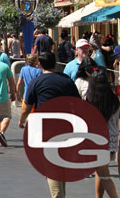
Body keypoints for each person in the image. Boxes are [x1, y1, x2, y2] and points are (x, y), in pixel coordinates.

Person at [19, 52, 81, 198]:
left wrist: (21, 121)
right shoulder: (66, 80)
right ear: (56, 63)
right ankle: (60, 194)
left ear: (39, 64)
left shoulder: (37, 81)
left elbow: (26, 107)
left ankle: (57, 195)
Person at [85, 70, 119, 198]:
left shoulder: (89, 100)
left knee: (104, 175)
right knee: (101, 172)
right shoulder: (114, 100)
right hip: (111, 142)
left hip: (97, 142)